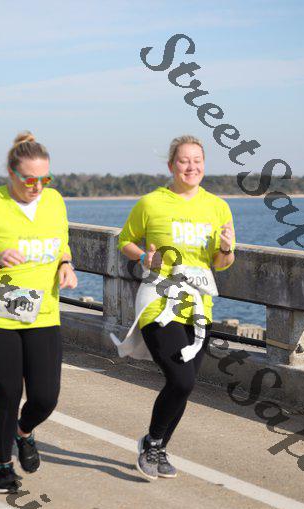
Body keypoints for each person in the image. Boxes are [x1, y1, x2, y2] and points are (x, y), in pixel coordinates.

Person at [0, 131, 77, 493]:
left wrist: (66, 264)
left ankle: (24, 432)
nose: (37, 186)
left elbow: (61, 242)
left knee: (45, 397)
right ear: (11, 173)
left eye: (44, 179)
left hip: (42, 313)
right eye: (29, 179)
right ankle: (3, 466)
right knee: (8, 392)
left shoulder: (54, 201)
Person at [112, 135, 235, 481]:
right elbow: (125, 241)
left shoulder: (218, 207)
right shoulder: (151, 203)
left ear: (204, 165)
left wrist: (226, 249)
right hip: (158, 298)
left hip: (198, 305)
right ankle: (153, 444)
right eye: (184, 160)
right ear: (171, 166)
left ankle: (158, 447)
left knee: (186, 384)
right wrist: (144, 257)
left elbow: (222, 262)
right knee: (180, 379)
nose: (191, 167)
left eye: (197, 160)